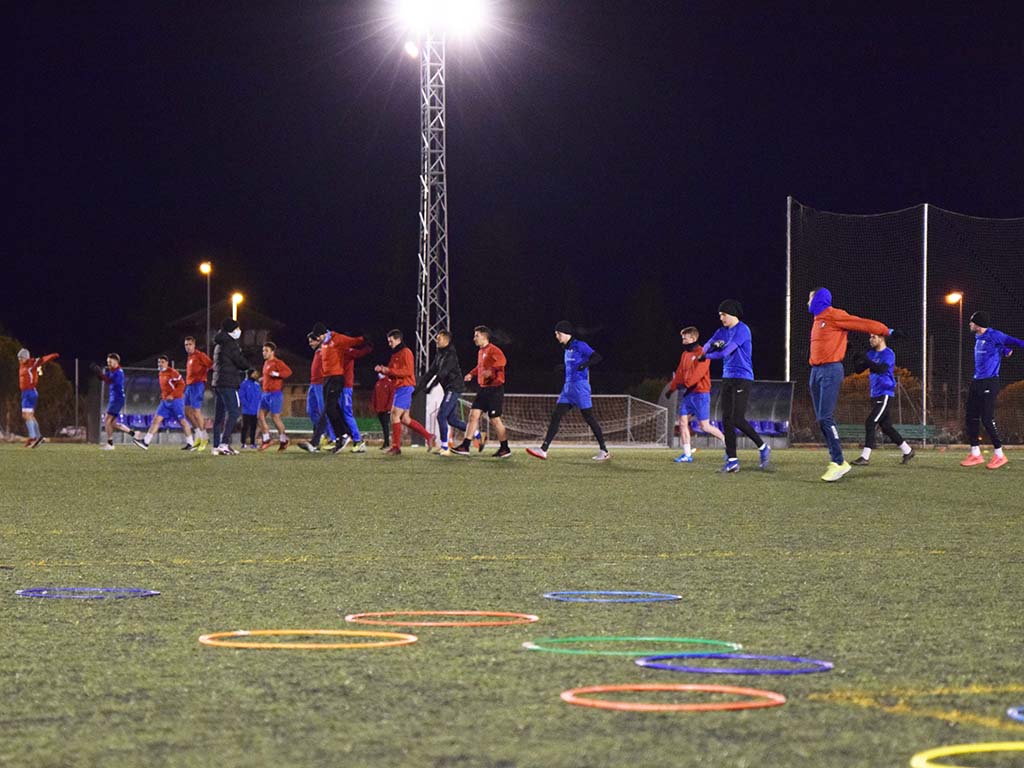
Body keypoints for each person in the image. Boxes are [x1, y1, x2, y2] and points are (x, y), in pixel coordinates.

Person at [807, 288, 895, 481]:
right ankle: (836, 460)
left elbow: (862, 323)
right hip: (815, 371)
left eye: (810, 298)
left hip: (830, 370)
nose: (807, 302)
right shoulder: (816, 321)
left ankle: (838, 462)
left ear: (819, 299)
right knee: (821, 420)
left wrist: (885, 330)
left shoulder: (834, 315)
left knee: (825, 418)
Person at [701, 300, 771, 473]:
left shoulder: (743, 330)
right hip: (727, 378)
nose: (721, 318)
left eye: (723, 314)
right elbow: (706, 345)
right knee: (726, 419)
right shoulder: (721, 331)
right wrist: (709, 347)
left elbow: (726, 352)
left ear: (732, 314)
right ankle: (732, 460)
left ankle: (762, 447)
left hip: (743, 378)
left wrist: (708, 356)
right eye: (719, 315)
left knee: (737, 418)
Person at [526, 321, 610, 461]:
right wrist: (563, 368)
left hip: (580, 387)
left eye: (558, 333)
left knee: (589, 417)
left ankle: (604, 450)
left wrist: (586, 364)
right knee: (556, 415)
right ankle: (543, 449)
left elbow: (597, 357)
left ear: (566, 333)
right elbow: (573, 365)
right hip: (568, 388)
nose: (557, 336)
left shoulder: (580, 345)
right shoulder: (567, 349)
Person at [959, 310, 1024, 469]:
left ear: (978, 324)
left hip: (990, 382)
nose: (970, 324)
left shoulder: (995, 335)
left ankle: (999, 455)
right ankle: (975, 454)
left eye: (971, 322)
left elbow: (1015, 341)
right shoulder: (978, 336)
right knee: (970, 417)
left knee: (987, 418)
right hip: (977, 382)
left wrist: (1006, 348)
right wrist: (1004, 350)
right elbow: (995, 348)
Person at [850, 333, 915, 466]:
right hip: (875, 394)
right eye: (870, 337)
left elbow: (881, 369)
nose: (870, 340)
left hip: (885, 393)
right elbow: (858, 370)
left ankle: (865, 457)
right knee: (886, 427)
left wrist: (865, 359)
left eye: (873, 337)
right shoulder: (871, 354)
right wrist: (855, 357)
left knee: (870, 422)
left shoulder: (888, 353)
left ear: (881, 338)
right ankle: (907, 451)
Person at [665, 326, 726, 463]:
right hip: (689, 395)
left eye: (685, 338)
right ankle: (687, 454)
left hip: (701, 394)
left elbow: (698, 374)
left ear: (693, 338)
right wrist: (672, 388)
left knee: (704, 426)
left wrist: (686, 385)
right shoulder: (685, 354)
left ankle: (727, 443)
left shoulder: (703, 353)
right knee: (682, 422)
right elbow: (680, 373)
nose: (683, 341)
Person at [416, 330, 480, 456]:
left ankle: (445, 448)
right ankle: (477, 434)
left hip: (454, 388)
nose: (436, 341)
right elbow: (430, 372)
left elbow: (441, 374)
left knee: (441, 416)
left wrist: (430, 387)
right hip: (449, 389)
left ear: (446, 340)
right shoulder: (440, 354)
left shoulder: (450, 355)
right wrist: (418, 389)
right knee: (452, 420)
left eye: (438, 338)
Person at [452, 326, 511, 458]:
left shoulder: (494, 350)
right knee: (473, 416)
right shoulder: (481, 351)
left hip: (494, 389)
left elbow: (502, 362)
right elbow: (480, 367)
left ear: (484, 337)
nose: (474, 338)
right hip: (484, 389)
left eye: (476, 336)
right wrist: (472, 374)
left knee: (495, 420)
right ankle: (465, 446)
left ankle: (505, 448)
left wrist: (492, 370)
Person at [374, 329, 435, 455]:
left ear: (398, 340)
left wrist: (388, 370)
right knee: (405, 419)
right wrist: (383, 370)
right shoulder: (394, 355)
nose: (389, 343)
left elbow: (408, 371)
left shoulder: (406, 352)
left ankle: (396, 447)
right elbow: (391, 374)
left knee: (394, 415)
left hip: (405, 387)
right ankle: (429, 436)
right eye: (388, 341)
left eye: (391, 341)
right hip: (399, 388)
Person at [308, 322, 365, 455]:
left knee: (342, 411)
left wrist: (365, 340)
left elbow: (355, 344)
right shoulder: (326, 344)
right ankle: (340, 437)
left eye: (318, 337)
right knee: (332, 409)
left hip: (341, 381)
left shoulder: (338, 341)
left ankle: (354, 439)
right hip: (329, 380)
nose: (317, 340)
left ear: (323, 334)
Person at [132, 354, 195, 450]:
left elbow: (182, 385)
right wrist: (164, 396)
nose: (160, 364)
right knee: (156, 420)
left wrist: (172, 395)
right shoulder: (160, 373)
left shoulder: (173, 372)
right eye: (159, 362)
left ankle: (191, 444)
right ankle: (145, 442)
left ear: (167, 363)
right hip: (165, 402)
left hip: (176, 401)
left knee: (182, 421)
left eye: (162, 362)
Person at [210, 318, 249, 455]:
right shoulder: (231, 344)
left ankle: (215, 446)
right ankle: (224, 443)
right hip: (228, 383)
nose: (239, 331)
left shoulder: (219, 343)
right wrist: (248, 365)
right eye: (237, 328)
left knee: (219, 416)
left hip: (219, 382)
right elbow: (240, 362)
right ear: (232, 330)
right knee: (234, 412)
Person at [91, 353, 137, 449]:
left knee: (107, 419)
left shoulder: (119, 372)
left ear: (116, 361)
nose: (108, 364)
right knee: (113, 423)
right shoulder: (112, 371)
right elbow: (103, 378)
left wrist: (101, 374)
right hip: (115, 399)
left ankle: (110, 444)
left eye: (110, 362)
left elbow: (109, 381)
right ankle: (134, 434)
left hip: (117, 399)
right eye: (107, 362)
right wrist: (98, 373)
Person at [17, 347, 59, 448]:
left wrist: (53, 355)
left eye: (21, 358)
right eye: (19, 358)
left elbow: (42, 360)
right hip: (26, 393)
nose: (20, 360)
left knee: (27, 415)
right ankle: (38, 437)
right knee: (28, 415)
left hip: (30, 392)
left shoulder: (31, 363)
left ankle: (33, 437)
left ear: (26, 357)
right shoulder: (22, 365)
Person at [301, 332, 336, 452]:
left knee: (325, 411)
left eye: (312, 341)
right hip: (313, 384)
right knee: (310, 411)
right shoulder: (318, 352)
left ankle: (332, 438)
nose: (310, 343)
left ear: (318, 340)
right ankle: (323, 434)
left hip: (321, 384)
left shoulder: (326, 350)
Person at [257, 342, 293, 451]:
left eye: (266, 350)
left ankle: (283, 440)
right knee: (260, 416)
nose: (264, 353)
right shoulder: (266, 363)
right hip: (265, 393)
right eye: (263, 350)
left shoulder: (277, 362)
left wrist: (277, 374)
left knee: (275, 417)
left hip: (275, 394)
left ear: (272, 352)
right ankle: (267, 439)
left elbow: (288, 372)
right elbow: (268, 375)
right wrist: (263, 379)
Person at [340, 339, 373, 453]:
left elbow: (359, 353)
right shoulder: (338, 350)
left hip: (346, 387)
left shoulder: (345, 351)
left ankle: (358, 440)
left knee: (346, 412)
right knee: (338, 412)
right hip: (340, 386)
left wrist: (368, 347)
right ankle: (344, 436)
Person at [183, 336, 213, 452]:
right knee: (187, 411)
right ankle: (199, 435)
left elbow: (211, 365)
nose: (188, 347)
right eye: (186, 345)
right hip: (189, 386)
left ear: (194, 345)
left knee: (196, 411)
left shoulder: (200, 355)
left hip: (197, 385)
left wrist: (205, 375)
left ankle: (204, 438)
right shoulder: (190, 357)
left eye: (190, 344)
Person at [239, 368, 262, 449]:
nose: (256, 375)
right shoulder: (244, 384)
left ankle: (253, 443)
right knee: (245, 427)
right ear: (250, 374)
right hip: (246, 410)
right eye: (254, 373)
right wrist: (246, 405)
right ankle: (243, 443)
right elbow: (241, 396)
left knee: (253, 427)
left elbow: (260, 397)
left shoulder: (257, 385)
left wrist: (259, 408)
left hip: (256, 410)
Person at [372, 372, 395, 450]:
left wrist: (388, 407)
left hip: (386, 409)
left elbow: (391, 396)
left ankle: (387, 443)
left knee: (386, 426)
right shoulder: (377, 383)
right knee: (383, 426)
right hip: (379, 409)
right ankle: (386, 442)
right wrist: (375, 407)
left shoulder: (389, 383)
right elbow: (374, 396)